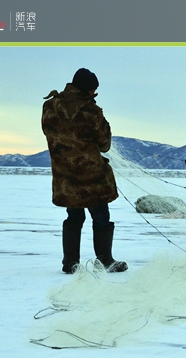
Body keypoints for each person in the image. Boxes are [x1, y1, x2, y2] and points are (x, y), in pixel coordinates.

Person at [41, 68, 128, 273]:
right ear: (88, 89)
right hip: (91, 177)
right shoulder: (91, 111)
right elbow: (104, 143)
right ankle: (105, 261)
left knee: (74, 216)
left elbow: (50, 133)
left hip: (65, 176)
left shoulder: (50, 106)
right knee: (101, 217)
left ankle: (70, 264)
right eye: (93, 91)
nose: (94, 95)